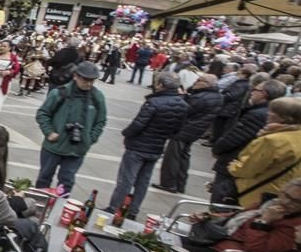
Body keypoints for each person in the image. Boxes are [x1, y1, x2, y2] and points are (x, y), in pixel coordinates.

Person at [105, 72, 188, 219]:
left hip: (139, 146)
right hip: (156, 147)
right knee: (143, 181)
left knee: (126, 179)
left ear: (161, 85)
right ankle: (133, 211)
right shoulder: (183, 105)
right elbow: (177, 129)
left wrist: (126, 133)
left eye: (157, 83)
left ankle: (114, 207)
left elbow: (138, 124)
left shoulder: (154, 102)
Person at [194, 182, 301, 252]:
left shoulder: (295, 226)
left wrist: (263, 222)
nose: (287, 202)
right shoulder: (268, 204)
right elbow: (236, 217)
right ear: (281, 191)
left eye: (296, 201)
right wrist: (209, 217)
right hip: (218, 239)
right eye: (286, 195)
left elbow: (255, 248)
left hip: (232, 251)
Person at [211, 78, 288, 205]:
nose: (252, 92)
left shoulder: (259, 114)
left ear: (264, 94)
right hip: (244, 166)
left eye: (255, 90)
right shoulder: (260, 112)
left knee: (221, 201)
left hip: (236, 163)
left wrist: (217, 149)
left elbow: (235, 137)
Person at [34, 62, 106, 195]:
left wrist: (90, 138)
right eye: (85, 80)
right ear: (75, 76)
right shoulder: (59, 93)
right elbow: (42, 113)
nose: (89, 84)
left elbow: (100, 121)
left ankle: (58, 210)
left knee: (66, 182)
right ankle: (37, 205)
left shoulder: (97, 97)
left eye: (92, 80)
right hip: (54, 146)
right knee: (44, 179)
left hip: (77, 149)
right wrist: (49, 132)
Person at [227, 97, 301, 208]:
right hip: (279, 190)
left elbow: (248, 169)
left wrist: (233, 166)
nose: (268, 113)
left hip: (254, 192)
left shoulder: (272, 140)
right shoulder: (296, 135)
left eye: (272, 111)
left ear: (283, 118)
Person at [154, 73, 222, 194]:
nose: (196, 82)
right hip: (194, 130)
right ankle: (179, 184)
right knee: (183, 157)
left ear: (207, 84)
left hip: (185, 129)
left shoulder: (202, 97)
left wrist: (182, 96)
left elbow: (185, 109)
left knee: (173, 157)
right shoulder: (215, 96)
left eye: (199, 80)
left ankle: (169, 184)